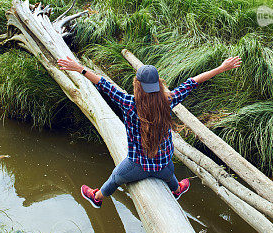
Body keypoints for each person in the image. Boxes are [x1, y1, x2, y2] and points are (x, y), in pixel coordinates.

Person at [56, 55, 242, 208]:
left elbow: (103, 84)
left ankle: (96, 197)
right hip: (163, 167)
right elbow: (193, 82)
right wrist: (222, 67)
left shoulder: (128, 102)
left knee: (114, 179)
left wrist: (79, 68)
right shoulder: (168, 100)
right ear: (158, 84)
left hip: (135, 166)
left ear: (137, 84)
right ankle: (176, 189)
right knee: (170, 173)